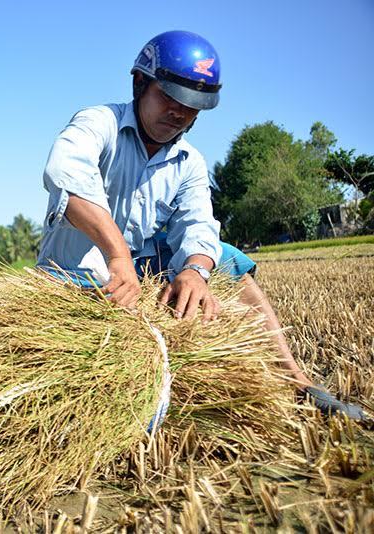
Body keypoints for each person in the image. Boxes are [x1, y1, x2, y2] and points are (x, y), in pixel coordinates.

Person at [36, 30, 369, 422]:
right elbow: (65, 175)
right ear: (140, 82)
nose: (179, 113)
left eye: (192, 107)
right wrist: (117, 254)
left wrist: (195, 270)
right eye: (169, 98)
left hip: (139, 266)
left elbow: (197, 222)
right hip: (77, 272)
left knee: (227, 260)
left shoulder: (189, 162)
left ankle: (298, 382)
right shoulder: (99, 122)